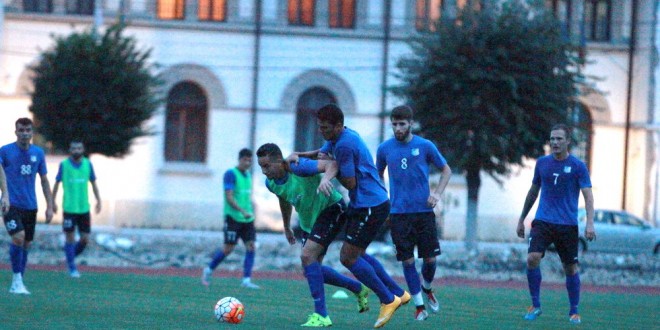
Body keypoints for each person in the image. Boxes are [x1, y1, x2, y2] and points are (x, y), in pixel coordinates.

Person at [291, 104, 409, 329]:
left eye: (325, 128)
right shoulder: (341, 136)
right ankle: (398, 293)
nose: (321, 132)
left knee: (348, 257)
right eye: (319, 127)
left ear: (337, 125)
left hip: (369, 206)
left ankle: (387, 299)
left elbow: (350, 181)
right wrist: (301, 155)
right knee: (359, 254)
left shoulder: (344, 145)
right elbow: (323, 154)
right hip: (370, 203)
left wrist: (329, 177)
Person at [257, 143, 371, 327]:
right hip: (309, 221)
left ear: (280, 161)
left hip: (331, 209)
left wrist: (325, 179)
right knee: (310, 269)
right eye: (261, 166)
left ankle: (322, 315)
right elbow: (284, 199)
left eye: (266, 166)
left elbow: (331, 163)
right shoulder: (270, 183)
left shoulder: (297, 166)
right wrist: (286, 226)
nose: (263, 171)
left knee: (307, 256)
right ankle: (358, 288)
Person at [376, 105, 452, 321]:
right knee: (407, 261)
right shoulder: (384, 149)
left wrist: (436, 194)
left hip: (424, 213)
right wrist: (384, 197)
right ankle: (419, 306)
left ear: (410, 124)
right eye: (394, 124)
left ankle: (427, 288)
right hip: (399, 214)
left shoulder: (425, 146)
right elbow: (377, 173)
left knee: (429, 260)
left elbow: (446, 170)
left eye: (402, 124)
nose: (398, 128)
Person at [516, 124, 596, 325]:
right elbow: (533, 192)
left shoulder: (578, 166)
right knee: (532, 257)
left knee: (570, 268)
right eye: (552, 139)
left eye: (559, 139)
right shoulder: (542, 163)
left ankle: (574, 311)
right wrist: (521, 218)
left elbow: (588, 196)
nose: (555, 142)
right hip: (543, 221)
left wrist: (590, 223)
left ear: (568, 141)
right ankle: (535, 305)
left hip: (567, 225)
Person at [0, 117, 54, 294]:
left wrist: (50, 205)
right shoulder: (6, 151)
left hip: (31, 206)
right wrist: (5, 195)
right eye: (21, 130)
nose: (24, 133)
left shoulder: (38, 153)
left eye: (27, 130)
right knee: (18, 237)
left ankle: (19, 282)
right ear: (16, 132)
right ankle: (16, 281)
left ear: (32, 132)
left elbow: (44, 180)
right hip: (11, 205)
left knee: (26, 244)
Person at [202, 148, 260, 289]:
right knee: (228, 248)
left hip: (247, 219)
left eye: (250, 161)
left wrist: (251, 209)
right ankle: (208, 270)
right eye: (245, 160)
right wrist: (242, 210)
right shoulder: (230, 174)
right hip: (233, 218)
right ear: (239, 159)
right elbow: (229, 197)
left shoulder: (247, 176)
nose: (247, 163)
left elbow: (246, 196)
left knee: (251, 247)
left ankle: (246, 280)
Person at [52, 141, 102, 278]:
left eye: (79, 148)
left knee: (85, 239)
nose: (76, 150)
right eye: (73, 148)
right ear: (70, 149)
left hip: (84, 208)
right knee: (70, 238)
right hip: (69, 208)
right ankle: (72, 267)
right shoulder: (64, 165)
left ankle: (69, 258)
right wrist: (52, 202)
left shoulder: (87, 164)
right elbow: (56, 184)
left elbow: (93, 183)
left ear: (83, 149)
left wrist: (98, 200)